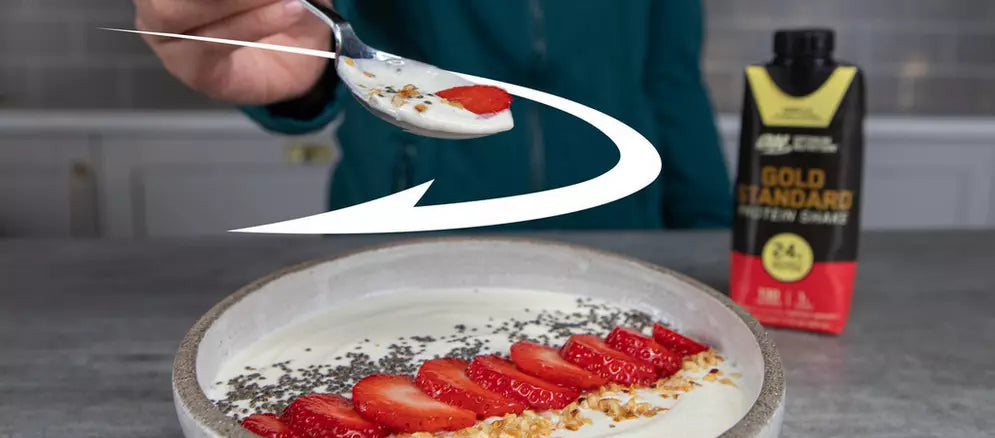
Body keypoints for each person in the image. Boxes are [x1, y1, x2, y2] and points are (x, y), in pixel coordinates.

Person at [135, 0, 732, 229]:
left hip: (617, 235)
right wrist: (297, 68)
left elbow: (671, 83)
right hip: (404, 234)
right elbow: (308, 42)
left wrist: (711, 240)